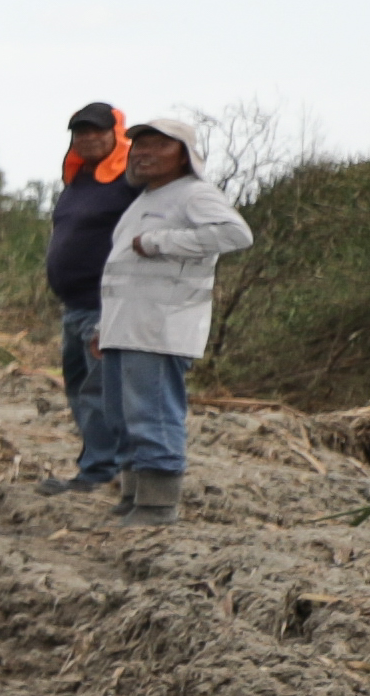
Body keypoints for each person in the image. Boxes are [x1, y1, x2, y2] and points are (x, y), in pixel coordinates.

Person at [92, 121, 252, 519]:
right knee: (124, 416)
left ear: (183, 153)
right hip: (126, 328)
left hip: (162, 329)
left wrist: (160, 242)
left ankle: (158, 504)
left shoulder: (194, 194)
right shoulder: (144, 199)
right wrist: (103, 326)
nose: (143, 152)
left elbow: (236, 234)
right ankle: (134, 496)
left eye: (157, 145)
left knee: (153, 414)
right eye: (138, 144)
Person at [46, 103, 135, 488]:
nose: (88, 139)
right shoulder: (78, 180)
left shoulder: (132, 181)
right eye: (80, 133)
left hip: (108, 306)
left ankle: (103, 472)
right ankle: (97, 466)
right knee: (81, 392)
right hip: (75, 306)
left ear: (117, 133)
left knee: (101, 393)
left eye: (97, 131)